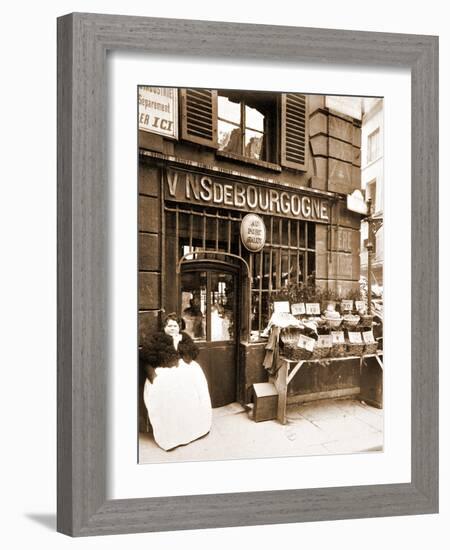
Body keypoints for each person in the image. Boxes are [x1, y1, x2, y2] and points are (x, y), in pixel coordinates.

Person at [140, 313, 212, 451]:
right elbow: (145, 359)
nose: (172, 328)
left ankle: (194, 429)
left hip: (185, 369)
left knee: (193, 393)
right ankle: (172, 437)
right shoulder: (156, 339)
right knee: (169, 396)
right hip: (164, 371)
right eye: (169, 326)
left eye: (175, 325)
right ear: (164, 327)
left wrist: (177, 343)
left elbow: (190, 357)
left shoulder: (184, 338)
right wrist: (153, 377)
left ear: (179, 327)